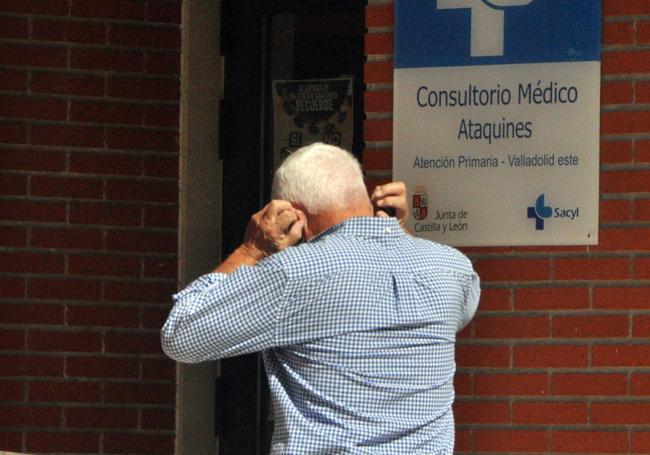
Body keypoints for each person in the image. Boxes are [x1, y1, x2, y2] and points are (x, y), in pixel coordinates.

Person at [161, 143, 480, 454]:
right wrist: (400, 230)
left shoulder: (293, 274)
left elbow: (181, 334)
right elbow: (462, 310)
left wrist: (252, 250)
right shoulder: (451, 269)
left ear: (292, 214)